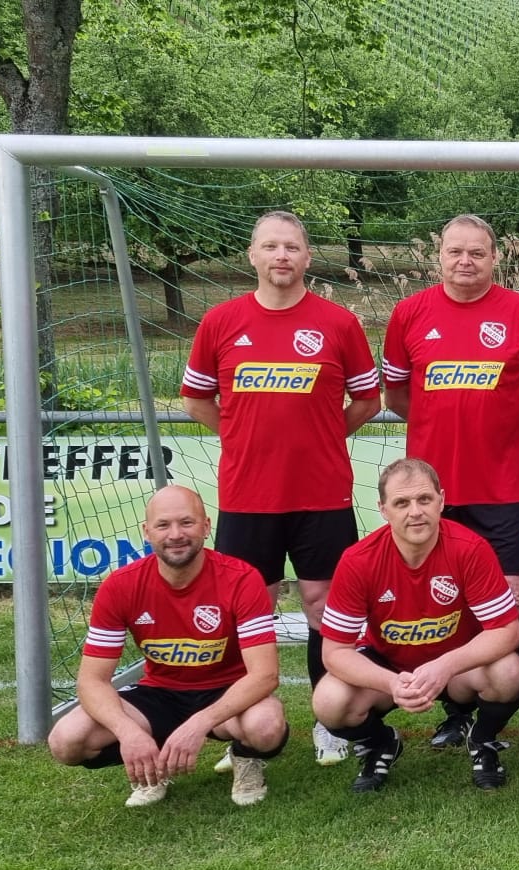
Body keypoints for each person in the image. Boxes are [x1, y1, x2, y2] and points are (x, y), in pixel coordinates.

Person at [180, 210, 381, 768]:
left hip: (322, 494)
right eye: (270, 246)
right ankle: (247, 724)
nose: (281, 256)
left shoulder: (338, 323)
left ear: (308, 257)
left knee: (325, 607)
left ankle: (328, 721)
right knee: (251, 608)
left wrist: (322, 435)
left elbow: (368, 400)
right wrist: (240, 435)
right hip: (248, 495)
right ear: (253, 256)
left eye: (291, 247)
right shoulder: (221, 322)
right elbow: (195, 399)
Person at [381, 214, 519, 755]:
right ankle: (457, 713)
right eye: (455, 251)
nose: (466, 261)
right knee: (445, 602)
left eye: (477, 253)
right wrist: (436, 430)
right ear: (439, 256)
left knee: (515, 600)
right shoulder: (409, 313)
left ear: (494, 257)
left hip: (502, 484)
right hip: (431, 490)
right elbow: (397, 395)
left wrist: (508, 430)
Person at [48, 485, 287, 808]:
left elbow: (264, 675)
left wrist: (199, 723)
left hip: (226, 692)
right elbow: (91, 681)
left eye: (186, 522)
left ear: (206, 526)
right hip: (159, 693)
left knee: (266, 726)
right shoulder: (120, 585)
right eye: (163, 525)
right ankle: (152, 768)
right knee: (66, 740)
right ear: (147, 532)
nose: (175, 534)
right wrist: (129, 733)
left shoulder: (242, 579)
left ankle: (245, 758)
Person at [311, 459, 519, 792]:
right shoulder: (358, 561)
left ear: (441, 500)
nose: (415, 512)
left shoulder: (470, 548)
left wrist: (445, 666)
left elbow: (506, 631)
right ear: (383, 509)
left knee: (508, 672)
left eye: (424, 499)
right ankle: (381, 744)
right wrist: (391, 682)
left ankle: (482, 740)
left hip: (455, 668)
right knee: (328, 701)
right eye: (401, 503)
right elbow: (335, 652)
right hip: (390, 666)